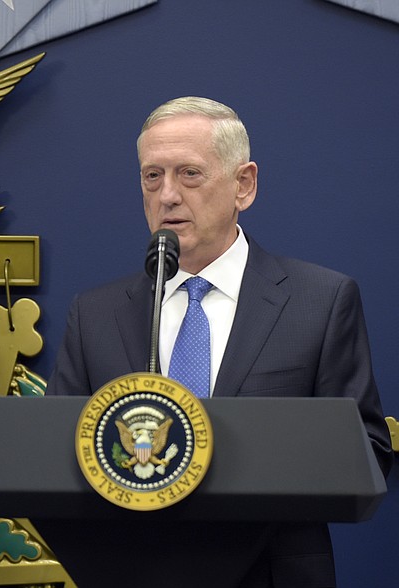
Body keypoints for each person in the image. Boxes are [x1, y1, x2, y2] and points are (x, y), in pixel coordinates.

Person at [47, 96, 392, 587]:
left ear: (243, 185)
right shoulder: (96, 314)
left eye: (189, 174)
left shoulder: (321, 300)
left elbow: (369, 452)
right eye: (152, 176)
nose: (166, 195)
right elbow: (57, 458)